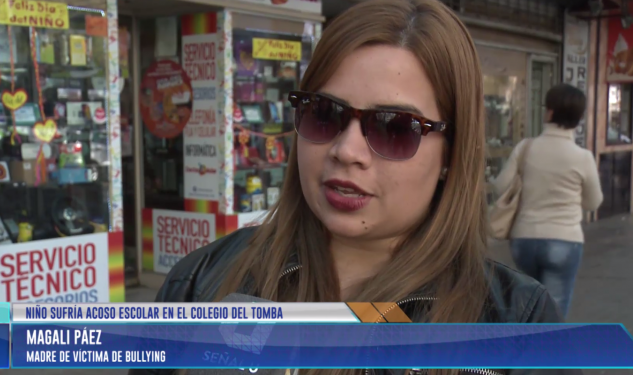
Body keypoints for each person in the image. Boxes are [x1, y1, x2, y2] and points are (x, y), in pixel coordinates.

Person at [134, 1, 578, 375]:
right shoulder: (199, 281)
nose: (347, 150)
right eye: (324, 113)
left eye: (394, 128)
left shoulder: (517, 325)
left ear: (451, 154)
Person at [492, 84, 603, 320]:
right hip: (564, 241)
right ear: (578, 118)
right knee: (553, 310)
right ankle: (544, 353)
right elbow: (594, 202)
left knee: (525, 306)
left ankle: (519, 350)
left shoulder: (526, 148)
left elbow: (500, 185)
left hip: (524, 240)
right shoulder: (583, 158)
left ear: (549, 113)